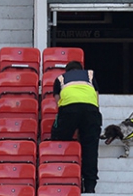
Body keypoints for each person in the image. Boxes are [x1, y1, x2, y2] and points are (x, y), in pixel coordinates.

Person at [51, 60, 102, 194]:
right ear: (81, 69)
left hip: (69, 109)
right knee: (90, 148)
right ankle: (90, 186)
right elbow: (96, 98)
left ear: (67, 71)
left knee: (59, 141)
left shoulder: (60, 78)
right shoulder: (90, 75)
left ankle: (62, 176)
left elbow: (58, 102)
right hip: (91, 110)